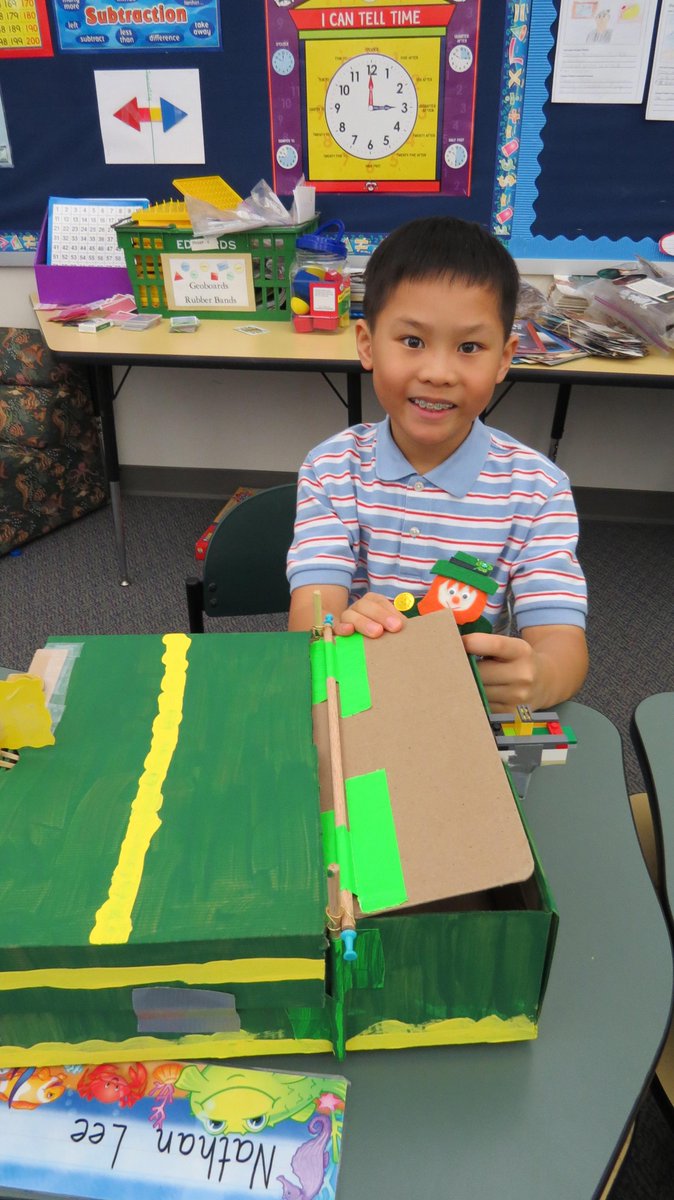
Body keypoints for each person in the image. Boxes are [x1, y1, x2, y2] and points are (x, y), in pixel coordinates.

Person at [287, 216, 588, 712]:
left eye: (469, 348)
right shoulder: (331, 469)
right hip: (359, 695)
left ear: (503, 359)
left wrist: (540, 677)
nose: (438, 373)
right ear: (366, 344)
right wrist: (332, 631)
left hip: (466, 705)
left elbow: (562, 642)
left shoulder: (539, 490)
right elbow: (311, 615)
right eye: (412, 341)